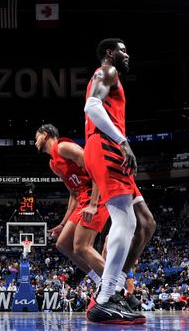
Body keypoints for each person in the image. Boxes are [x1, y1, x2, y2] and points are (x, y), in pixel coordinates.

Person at [82, 38, 145, 324]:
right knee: (124, 220)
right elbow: (92, 107)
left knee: (135, 221)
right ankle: (106, 296)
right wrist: (122, 141)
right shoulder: (107, 71)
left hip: (103, 146)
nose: (127, 53)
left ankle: (111, 291)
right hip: (105, 144)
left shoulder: (109, 75)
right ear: (110, 53)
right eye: (123, 49)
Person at [35, 124, 108, 291]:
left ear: (45, 135)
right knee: (62, 244)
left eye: (36, 137)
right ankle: (98, 280)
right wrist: (62, 224)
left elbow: (96, 168)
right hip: (82, 198)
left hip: (96, 195)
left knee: (81, 246)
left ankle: (117, 287)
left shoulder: (63, 147)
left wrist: (93, 204)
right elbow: (74, 194)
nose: (34, 142)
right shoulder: (53, 164)